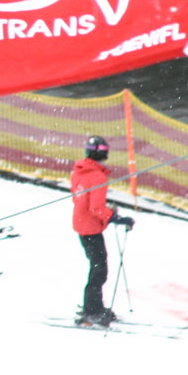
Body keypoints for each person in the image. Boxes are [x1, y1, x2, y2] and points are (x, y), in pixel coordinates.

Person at [72, 134, 134, 327]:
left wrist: (106, 211)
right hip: (91, 228)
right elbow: (96, 208)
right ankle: (92, 311)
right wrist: (115, 217)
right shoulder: (98, 176)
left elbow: (81, 199)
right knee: (99, 270)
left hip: (81, 224)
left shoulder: (79, 172)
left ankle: (94, 307)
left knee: (97, 267)